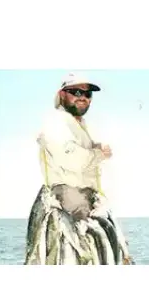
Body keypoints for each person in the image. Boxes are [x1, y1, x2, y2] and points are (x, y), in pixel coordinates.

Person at [37, 72, 112, 221]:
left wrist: (95, 147)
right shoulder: (56, 121)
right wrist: (99, 154)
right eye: (76, 92)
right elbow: (72, 160)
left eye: (87, 93)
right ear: (62, 94)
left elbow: (78, 151)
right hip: (69, 202)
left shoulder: (77, 124)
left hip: (86, 200)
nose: (82, 97)